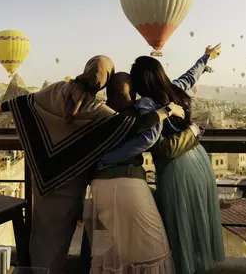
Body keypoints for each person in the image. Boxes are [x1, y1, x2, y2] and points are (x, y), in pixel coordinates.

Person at [0, 55, 183, 274]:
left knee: (43, 233)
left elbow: (22, 103)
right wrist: (167, 110)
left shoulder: (56, 90)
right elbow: (133, 126)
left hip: (44, 178)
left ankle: (35, 270)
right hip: (71, 182)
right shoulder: (95, 110)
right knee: (61, 240)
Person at [84, 72, 202, 274]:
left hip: (99, 189)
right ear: (132, 92)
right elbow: (148, 139)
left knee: (111, 253)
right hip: (126, 185)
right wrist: (168, 114)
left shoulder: (96, 115)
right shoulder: (131, 116)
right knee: (154, 252)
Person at [127, 44, 225, 274]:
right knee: (196, 217)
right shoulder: (174, 90)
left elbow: (157, 144)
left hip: (177, 167)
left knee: (179, 222)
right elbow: (191, 75)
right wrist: (207, 56)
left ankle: (183, 268)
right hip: (198, 159)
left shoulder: (145, 105)